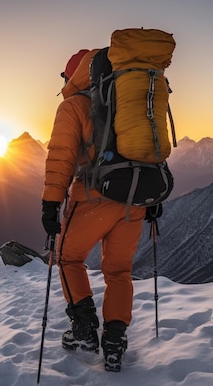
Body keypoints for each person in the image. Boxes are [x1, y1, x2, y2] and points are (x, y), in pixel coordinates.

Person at [41, 49, 146, 372]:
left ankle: (84, 330)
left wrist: (50, 203)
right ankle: (114, 343)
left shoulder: (73, 106)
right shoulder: (129, 103)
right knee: (118, 271)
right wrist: (153, 201)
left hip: (92, 198)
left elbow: (61, 157)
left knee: (67, 258)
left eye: (64, 77)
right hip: (135, 199)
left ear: (73, 76)